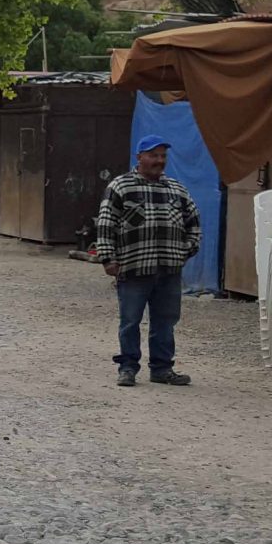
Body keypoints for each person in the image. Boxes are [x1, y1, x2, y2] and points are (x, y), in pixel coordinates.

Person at [93, 136, 202, 388]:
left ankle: (162, 369)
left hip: (169, 269)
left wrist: (186, 251)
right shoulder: (121, 187)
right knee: (130, 320)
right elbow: (106, 224)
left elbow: (194, 223)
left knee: (165, 321)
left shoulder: (176, 189)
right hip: (133, 268)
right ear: (139, 157)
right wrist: (108, 259)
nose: (159, 161)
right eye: (154, 155)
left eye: (163, 156)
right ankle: (128, 368)